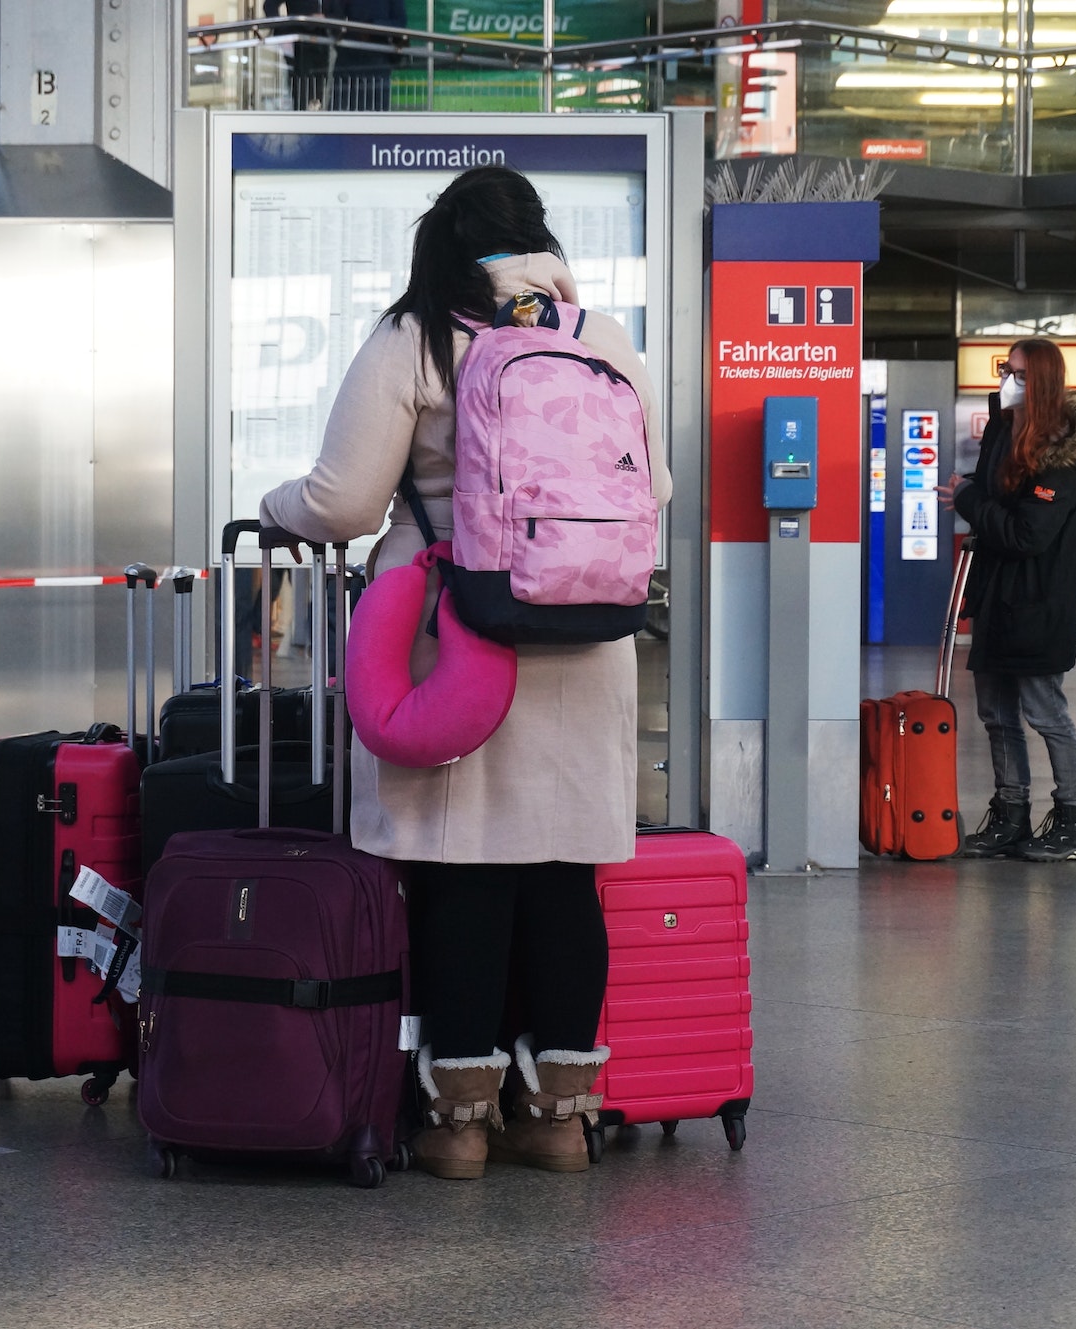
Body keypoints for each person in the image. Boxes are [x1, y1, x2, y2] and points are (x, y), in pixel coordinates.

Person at [256, 167, 669, 1180]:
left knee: (464, 877)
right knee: (566, 875)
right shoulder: (597, 337)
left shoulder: (419, 338)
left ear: (439, 244)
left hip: (458, 633)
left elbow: (345, 501)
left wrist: (276, 508)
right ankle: (562, 1119)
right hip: (585, 637)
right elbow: (652, 486)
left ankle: (457, 1127)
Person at [935, 338, 1076, 863]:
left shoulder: (1063, 462)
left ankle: (1075, 820)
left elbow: (1026, 534)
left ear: (1045, 383)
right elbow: (995, 505)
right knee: (996, 713)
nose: (1009, 379)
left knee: (1045, 711)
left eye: (1021, 373)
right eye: (1007, 370)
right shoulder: (1004, 433)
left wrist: (968, 499)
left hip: (1037, 602)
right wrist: (974, 497)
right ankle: (1010, 815)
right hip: (997, 598)